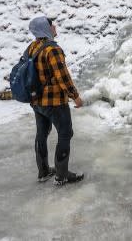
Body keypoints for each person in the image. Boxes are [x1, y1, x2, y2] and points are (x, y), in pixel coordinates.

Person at [27, 16, 85, 185]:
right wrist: (75, 96)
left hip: (37, 101)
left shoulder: (32, 47)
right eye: (51, 25)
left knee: (41, 134)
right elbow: (63, 77)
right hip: (54, 102)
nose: (54, 27)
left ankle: (43, 171)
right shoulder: (52, 49)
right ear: (46, 28)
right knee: (65, 133)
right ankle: (62, 174)